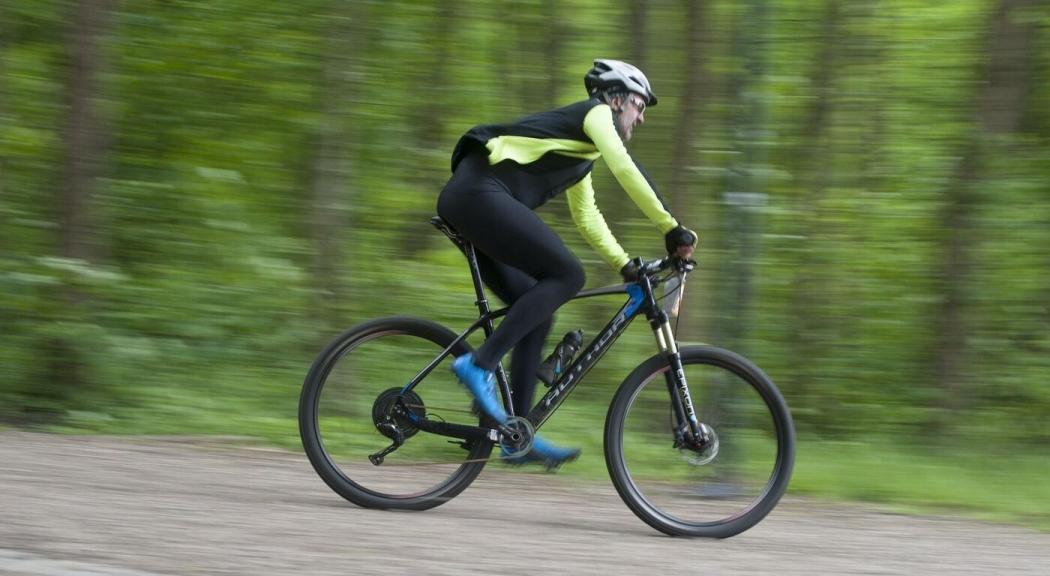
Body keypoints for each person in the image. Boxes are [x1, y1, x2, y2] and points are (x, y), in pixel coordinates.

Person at [436, 59, 697, 467]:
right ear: (616, 98)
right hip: (476, 194)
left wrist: (624, 263)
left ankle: (514, 434)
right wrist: (670, 226)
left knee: (538, 312)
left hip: (475, 202)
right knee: (567, 274)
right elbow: (625, 168)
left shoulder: (581, 151)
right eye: (639, 105)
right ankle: (479, 363)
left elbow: (587, 217)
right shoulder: (595, 115)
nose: (641, 118)